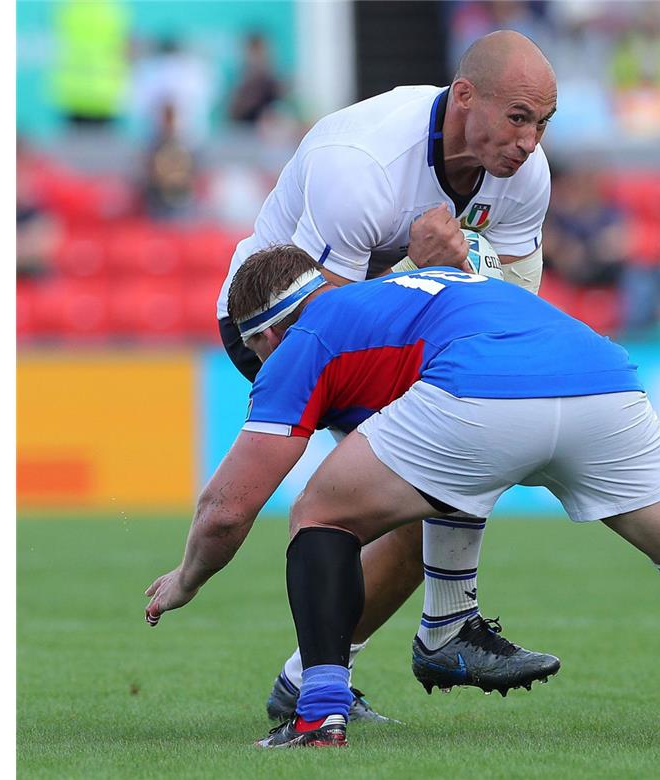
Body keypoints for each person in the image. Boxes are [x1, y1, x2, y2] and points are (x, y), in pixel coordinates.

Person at [145, 245, 660, 750]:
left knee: (321, 512)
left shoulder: (308, 334)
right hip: (601, 379)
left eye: (253, 353)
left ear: (268, 333)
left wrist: (185, 579)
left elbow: (228, 508)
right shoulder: (402, 297)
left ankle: (320, 713)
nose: (257, 368)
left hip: (481, 393)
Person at [211, 30, 559, 723]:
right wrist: (421, 270)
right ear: (464, 98)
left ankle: (312, 679)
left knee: (441, 475)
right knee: (429, 465)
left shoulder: (525, 176)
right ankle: (443, 630)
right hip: (274, 326)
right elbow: (323, 331)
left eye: (543, 124)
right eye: (518, 118)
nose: (530, 142)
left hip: (382, 329)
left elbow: (512, 309)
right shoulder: (365, 163)